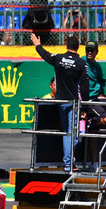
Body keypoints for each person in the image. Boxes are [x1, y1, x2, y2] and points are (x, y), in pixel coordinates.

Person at [31, 32, 89, 171]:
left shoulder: (58, 58)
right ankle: (69, 164)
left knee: (67, 133)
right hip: (74, 103)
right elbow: (85, 87)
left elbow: (45, 55)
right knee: (72, 134)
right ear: (78, 47)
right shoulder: (81, 63)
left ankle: (69, 163)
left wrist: (38, 45)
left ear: (66, 46)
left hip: (61, 102)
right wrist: (85, 108)